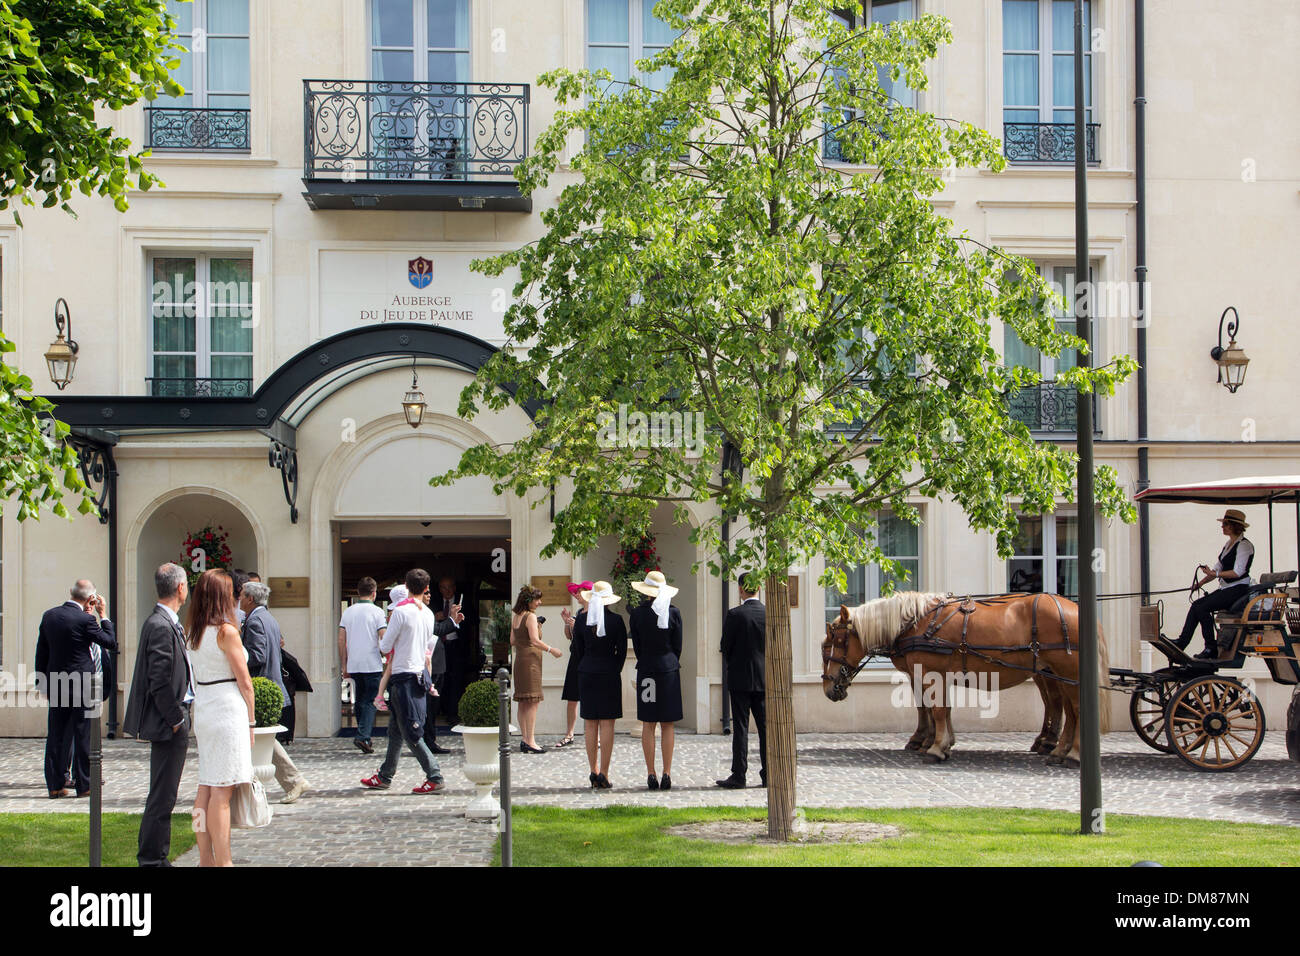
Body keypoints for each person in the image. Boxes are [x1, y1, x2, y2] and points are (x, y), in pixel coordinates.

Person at [124, 563, 194, 866]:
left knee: (165, 794)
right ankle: (152, 859)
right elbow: (159, 679)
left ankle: (155, 856)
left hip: (174, 719)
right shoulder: (160, 625)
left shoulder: (165, 623)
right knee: (162, 796)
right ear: (180, 588)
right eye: (186, 584)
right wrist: (176, 719)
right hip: (170, 723)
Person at [187, 569, 255, 868]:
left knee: (206, 786)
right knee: (222, 792)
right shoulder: (227, 631)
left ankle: (205, 858)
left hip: (204, 705)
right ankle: (224, 861)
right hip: (227, 708)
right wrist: (252, 722)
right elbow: (245, 682)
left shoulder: (193, 630)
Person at [361, 569, 450, 793]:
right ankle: (385, 775)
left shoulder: (401, 612)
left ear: (407, 587)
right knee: (396, 730)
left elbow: (385, 646)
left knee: (411, 732)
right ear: (426, 588)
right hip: (420, 674)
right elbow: (429, 646)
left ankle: (435, 775)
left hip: (403, 676)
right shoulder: (428, 614)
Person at [34, 579, 118, 798]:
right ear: (90, 598)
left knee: (56, 735)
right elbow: (109, 641)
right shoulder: (85, 620)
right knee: (83, 735)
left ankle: (55, 785)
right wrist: (104, 615)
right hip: (84, 684)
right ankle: (85, 785)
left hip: (56, 683)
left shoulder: (49, 616)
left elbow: (41, 652)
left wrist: (41, 681)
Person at [239, 581, 310, 803]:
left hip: (261, 686)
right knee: (263, 739)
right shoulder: (268, 618)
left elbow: (257, 656)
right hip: (270, 684)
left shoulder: (255, 621)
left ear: (250, 598)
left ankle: (293, 780)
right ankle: (291, 780)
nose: (239, 598)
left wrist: (237, 658)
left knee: (262, 739)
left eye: (241, 595)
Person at [1175, 509, 1257, 659]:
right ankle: (1182, 642)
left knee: (1202, 607)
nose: (1222, 527)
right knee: (1196, 605)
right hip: (1227, 588)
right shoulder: (1228, 544)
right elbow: (1216, 569)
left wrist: (1215, 574)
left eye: (1225, 524)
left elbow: (1238, 572)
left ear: (1234, 526)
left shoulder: (1244, 545)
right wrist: (1199, 584)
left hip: (1238, 590)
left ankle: (1210, 648)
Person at [628, 570, 683, 791]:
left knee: (648, 724)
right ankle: (666, 773)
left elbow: (638, 646)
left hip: (648, 670)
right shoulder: (674, 612)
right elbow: (678, 645)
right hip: (668, 669)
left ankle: (651, 773)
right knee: (668, 724)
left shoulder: (638, 614)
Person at [717, 577, 768, 789]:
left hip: (739, 678)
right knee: (766, 728)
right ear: (758, 588)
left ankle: (739, 774)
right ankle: (769, 773)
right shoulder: (768, 614)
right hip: (764, 678)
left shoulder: (735, 614)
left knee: (740, 728)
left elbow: (725, 646)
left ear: (740, 590)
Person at [574, 581, 626, 788]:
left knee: (590, 723)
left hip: (587, 671)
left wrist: (586, 665)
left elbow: (577, 649)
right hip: (609, 672)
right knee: (607, 724)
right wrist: (614, 668)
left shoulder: (581, 620)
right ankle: (604, 771)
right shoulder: (617, 620)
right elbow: (621, 652)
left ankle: (592, 769)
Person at [511, 585, 562, 752]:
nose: (539, 602)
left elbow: (512, 640)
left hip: (519, 660)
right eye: (537, 599)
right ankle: (531, 740)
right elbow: (534, 640)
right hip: (531, 662)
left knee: (523, 702)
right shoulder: (530, 616)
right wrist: (551, 649)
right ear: (529, 600)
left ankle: (524, 739)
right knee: (533, 701)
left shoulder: (517, 616)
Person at [339, 577, 387, 754]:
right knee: (370, 701)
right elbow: (383, 635)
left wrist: (344, 665)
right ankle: (362, 735)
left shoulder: (348, 612)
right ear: (374, 593)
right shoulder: (377, 612)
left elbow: (341, 640)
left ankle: (364, 735)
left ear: (358, 592)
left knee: (359, 701)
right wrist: (387, 655)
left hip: (354, 662)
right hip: (372, 662)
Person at [557, 581, 594, 747]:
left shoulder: (594, 613)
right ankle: (569, 734)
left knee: (591, 697)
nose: (577, 595)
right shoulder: (579, 612)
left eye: (579, 592)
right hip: (575, 657)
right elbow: (570, 636)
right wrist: (567, 623)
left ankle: (595, 734)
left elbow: (592, 635)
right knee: (572, 697)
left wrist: (577, 625)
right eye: (576, 592)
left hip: (589, 657)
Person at [422, 585, 453, 755]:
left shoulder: (424, 612)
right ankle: (425, 742)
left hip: (437, 663)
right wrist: (452, 620)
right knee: (426, 708)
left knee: (431, 707)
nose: (429, 596)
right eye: (426, 592)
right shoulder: (421, 613)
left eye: (429, 592)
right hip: (426, 666)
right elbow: (438, 629)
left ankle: (428, 740)